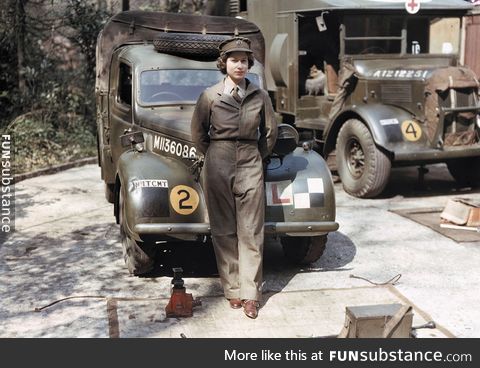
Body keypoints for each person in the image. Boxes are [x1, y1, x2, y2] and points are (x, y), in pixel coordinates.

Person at [191, 37, 277, 319]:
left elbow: (269, 134)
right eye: (233, 60)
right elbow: (198, 135)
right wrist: (217, 155)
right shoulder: (209, 96)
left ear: (249, 64)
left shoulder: (260, 96)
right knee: (224, 230)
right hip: (218, 162)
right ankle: (233, 290)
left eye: (244, 60)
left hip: (251, 161)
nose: (239, 65)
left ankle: (250, 294)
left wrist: (254, 156)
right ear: (223, 64)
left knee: (251, 230)